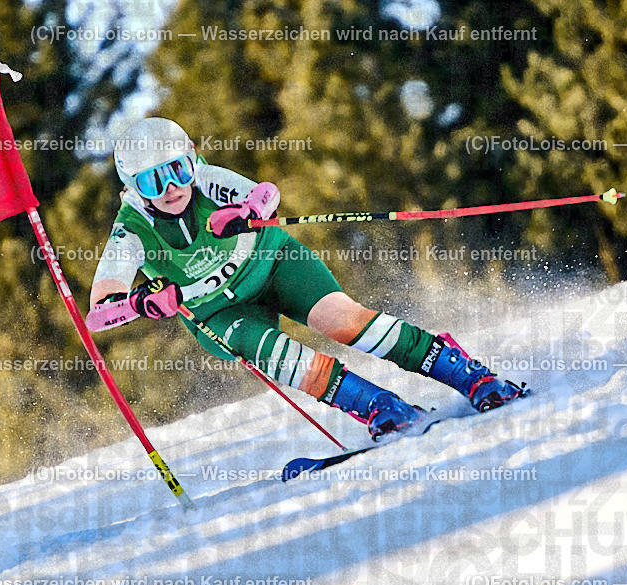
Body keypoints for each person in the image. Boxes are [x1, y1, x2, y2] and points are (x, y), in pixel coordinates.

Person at [90, 118, 523, 440]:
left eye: (178, 169)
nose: (171, 187)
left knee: (341, 320)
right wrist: (141, 301)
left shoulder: (206, 180)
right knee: (278, 354)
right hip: (219, 311)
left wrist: (246, 213)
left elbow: (265, 194)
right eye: (153, 180)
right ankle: (378, 406)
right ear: (132, 186)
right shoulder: (131, 229)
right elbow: (98, 314)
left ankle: (467, 373)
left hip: (273, 262)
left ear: (192, 159)